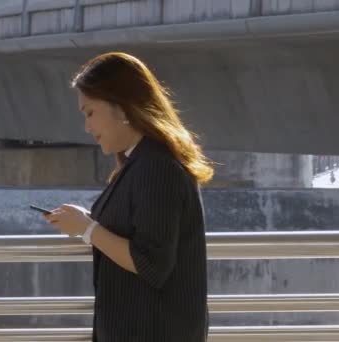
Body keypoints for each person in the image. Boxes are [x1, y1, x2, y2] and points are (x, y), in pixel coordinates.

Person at [45, 52, 213, 342]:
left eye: (90, 113)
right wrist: (85, 223)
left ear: (121, 109)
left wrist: (88, 229)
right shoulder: (142, 162)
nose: (87, 127)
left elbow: (151, 263)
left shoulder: (156, 167)